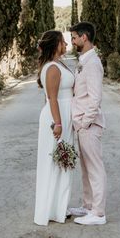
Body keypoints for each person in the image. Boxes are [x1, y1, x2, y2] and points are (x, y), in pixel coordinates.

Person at [34, 30, 76, 225]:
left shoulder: (59, 64)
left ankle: (59, 207)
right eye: (62, 42)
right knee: (57, 162)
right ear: (55, 45)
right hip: (57, 117)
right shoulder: (52, 68)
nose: (66, 45)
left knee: (63, 162)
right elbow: (52, 99)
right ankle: (52, 209)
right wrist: (58, 123)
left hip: (63, 115)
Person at [68, 21, 107, 225]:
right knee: (86, 168)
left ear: (85, 37)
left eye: (74, 37)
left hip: (89, 125)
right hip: (82, 124)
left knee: (95, 168)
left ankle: (98, 213)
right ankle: (88, 206)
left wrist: (85, 122)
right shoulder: (84, 60)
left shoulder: (93, 63)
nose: (72, 41)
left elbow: (95, 97)